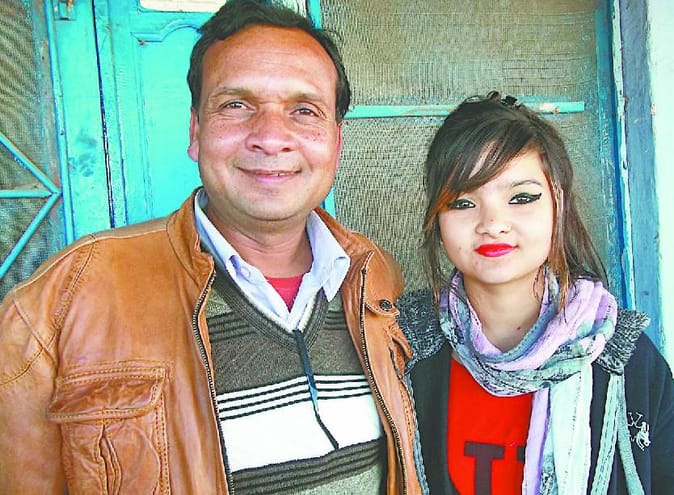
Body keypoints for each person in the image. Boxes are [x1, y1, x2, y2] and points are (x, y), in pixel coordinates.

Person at [0, 1, 424, 493]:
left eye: (304, 110)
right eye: (236, 105)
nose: (271, 138)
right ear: (196, 131)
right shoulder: (67, 298)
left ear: (335, 141)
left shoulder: (372, 276)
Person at [397, 91, 674, 494]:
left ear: (558, 205)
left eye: (521, 198)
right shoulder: (400, 351)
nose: (493, 223)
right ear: (436, 218)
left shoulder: (626, 362)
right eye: (462, 202)